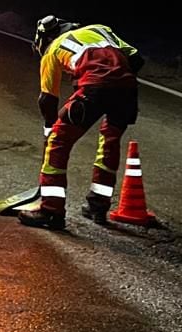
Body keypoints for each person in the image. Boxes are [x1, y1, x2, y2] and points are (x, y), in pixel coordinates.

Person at [15, 16, 146, 230]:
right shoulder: (100, 28)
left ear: (44, 38)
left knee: (58, 142)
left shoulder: (53, 49)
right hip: (127, 88)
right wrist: (116, 80)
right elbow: (136, 59)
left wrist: (49, 130)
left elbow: (47, 99)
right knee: (109, 142)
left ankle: (51, 211)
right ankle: (98, 206)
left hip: (95, 88)